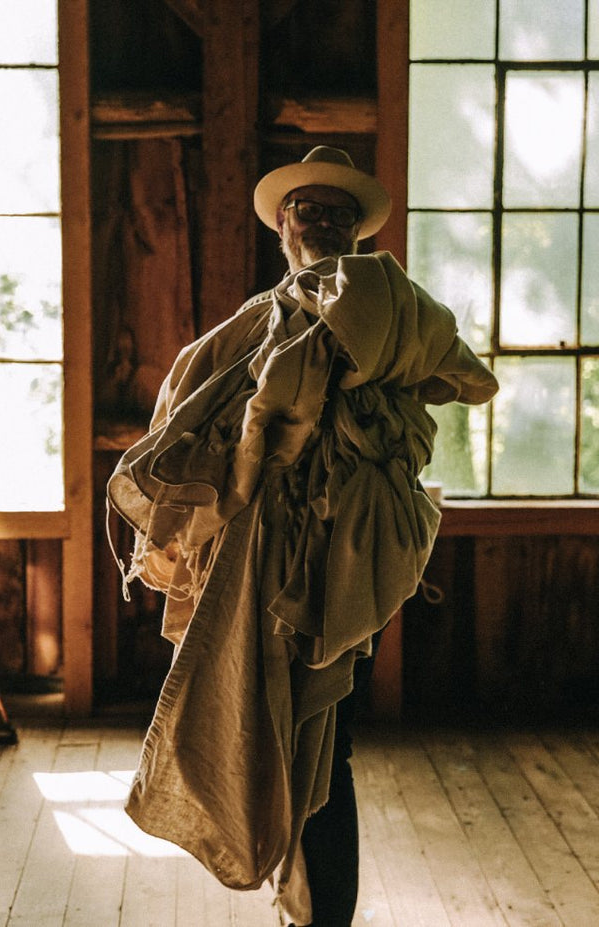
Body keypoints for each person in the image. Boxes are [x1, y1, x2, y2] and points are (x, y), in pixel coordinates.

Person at [107, 146, 498, 926]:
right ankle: (303, 904)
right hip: (260, 558)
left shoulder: (387, 297)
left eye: (335, 212)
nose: (318, 222)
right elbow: (192, 410)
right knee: (269, 729)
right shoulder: (254, 323)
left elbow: (454, 372)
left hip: (352, 554)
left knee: (328, 736)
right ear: (281, 225)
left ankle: (324, 917)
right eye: (305, 210)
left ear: (357, 228)